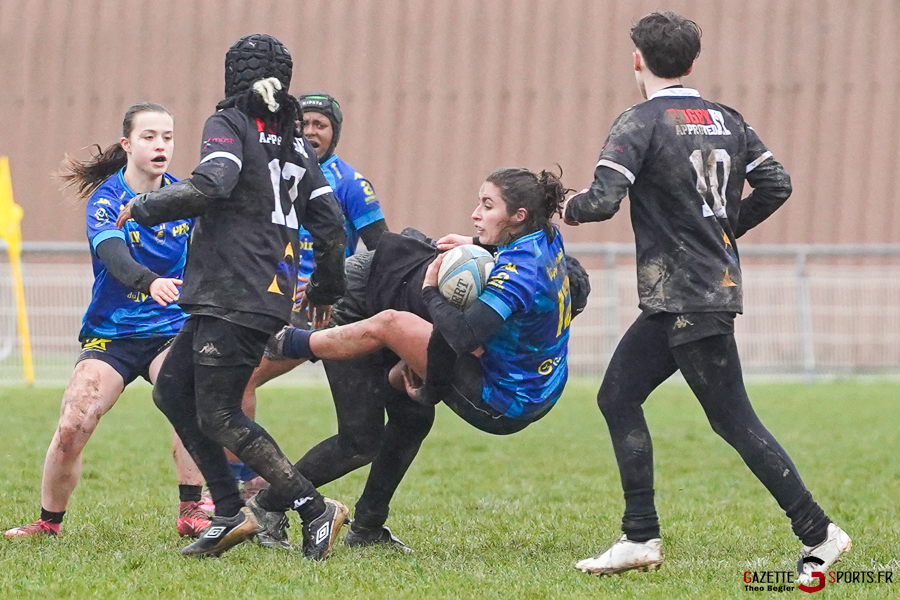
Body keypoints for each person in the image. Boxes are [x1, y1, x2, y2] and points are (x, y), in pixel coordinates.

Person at [562, 11, 850, 580]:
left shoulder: (638, 122)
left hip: (687, 295)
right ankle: (639, 536)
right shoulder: (727, 119)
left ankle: (820, 532)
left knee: (734, 420)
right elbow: (778, 183)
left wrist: (559, 205)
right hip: (690, 294)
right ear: (693, 62)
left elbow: (599, 200)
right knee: (617, 396)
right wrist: (722, 230)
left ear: (637, 60)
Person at [252, 167, 588, 549]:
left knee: (404, 403)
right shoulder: (546, 238)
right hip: (362, 301)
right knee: (365, 437)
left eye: (487, 205)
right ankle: (279, 507)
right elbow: (453, 334)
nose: (475, 214)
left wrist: (431, 293)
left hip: (503, 398)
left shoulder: (515, 272)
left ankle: (289, 344)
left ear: (519, 217)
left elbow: (459, 334)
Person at [115, 34, 349, 560]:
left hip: (234, 289)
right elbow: (330, 223)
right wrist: (328, 288)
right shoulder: (294, 142)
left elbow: (213, 183)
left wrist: (147, 206)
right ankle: (228, 512)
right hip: (251, 292)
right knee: (173, 391)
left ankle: (315, 509)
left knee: (219, 413)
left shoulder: (229, 123)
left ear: (233, 79)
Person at [4, 102, 210, 539]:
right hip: (112, 335)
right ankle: (48, 522)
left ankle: (193, 510)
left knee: (189, 397)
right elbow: (113, 256)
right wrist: (149, 281)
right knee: (74, 422)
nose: (160, 145)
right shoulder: (106, 199)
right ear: (127, 143)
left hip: (170, 331)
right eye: (149, 136)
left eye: (167, 137)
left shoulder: (183, 199)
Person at [231, 92, 389, 493]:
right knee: (228, 382)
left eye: (321, 124)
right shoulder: (273, 171)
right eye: (303, 124)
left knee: (238, 382)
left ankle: (248, 486)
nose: (310, 131)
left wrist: (336, 280)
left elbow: (382, 249)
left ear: (334, 133)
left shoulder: (350, 182)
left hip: (318, 307)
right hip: (267, 296)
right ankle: (245, 485)